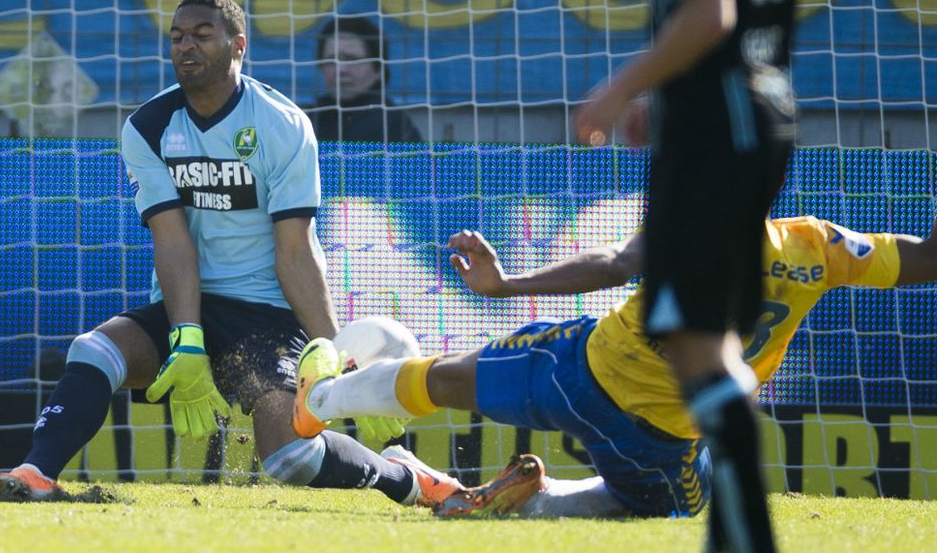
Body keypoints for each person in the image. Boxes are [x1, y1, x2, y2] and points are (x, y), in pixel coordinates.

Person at [0, 0, 461, 507]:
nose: (186, 46)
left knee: (288, 459)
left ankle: (403, 475)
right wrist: (187, 336)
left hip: (268, 317)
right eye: (178, 37)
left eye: (202, 35)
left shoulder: (282, 124)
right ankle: (36, 473)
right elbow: (173, 238)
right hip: (191, 305)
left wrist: (333, 355)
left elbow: (296, 251)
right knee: (94, 349)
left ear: (238, 46)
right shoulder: (147, 127)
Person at [292, 216, 937, 520]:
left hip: (579, 373)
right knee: (655, 508)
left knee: (449, 378)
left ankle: (320, 400)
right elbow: (922, 258)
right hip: (664, 435)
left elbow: (611, 265)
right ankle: (527, 508)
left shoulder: (688, 224)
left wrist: (504, 284)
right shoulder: (818, 248)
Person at [572, 0, 804, 550]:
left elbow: (709, 13)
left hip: (716, 133)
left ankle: (745, 538)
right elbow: (746, 25)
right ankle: (732, 536)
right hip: (758, 113)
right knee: (708, 345)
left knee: (694, 345)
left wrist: (618, 89)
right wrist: (668, 94)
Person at [308, 16, 422, 144]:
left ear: (378, 69)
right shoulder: (308, 122)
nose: (340, 70)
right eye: (331, 61)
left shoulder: (394, 124)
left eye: (352, 59)